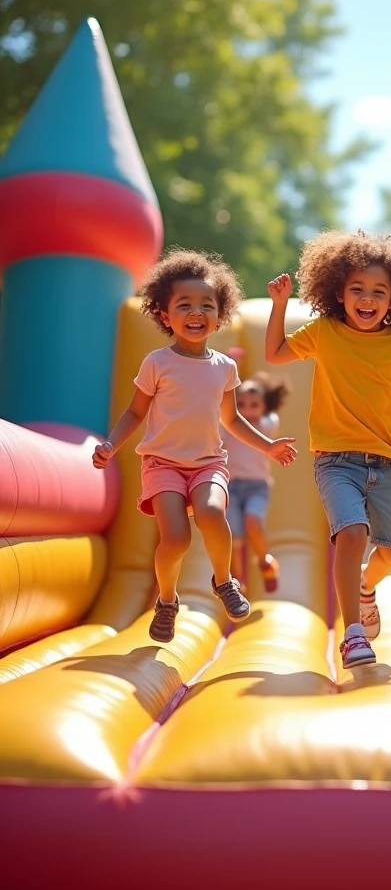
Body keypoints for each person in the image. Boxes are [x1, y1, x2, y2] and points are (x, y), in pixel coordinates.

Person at [92, 249, 297, 643]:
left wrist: (268, 446)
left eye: (207, 304)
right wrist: (112, 445)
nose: (196, 311)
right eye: (184, 304)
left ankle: (224, 580)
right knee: (176, 539)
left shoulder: (224, 367)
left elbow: (232, 420)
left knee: (212, 513)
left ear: (219, 315)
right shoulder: (157, 363)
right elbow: (135, 413)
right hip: (163, 464)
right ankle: (167, 601)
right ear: (164, 315)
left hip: (207, 463)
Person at [265, 230, 391, 669]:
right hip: (335, 459)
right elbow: (275, 354)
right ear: (339, 295)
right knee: (352, 532)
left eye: (378, 293)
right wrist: (279, 304)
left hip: (386, 463)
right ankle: (352, 634)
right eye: (357, 291)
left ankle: (366, 587)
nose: (367, 299)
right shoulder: (325, 332)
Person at [222, 372, 290, 594]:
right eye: (241, 405)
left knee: (253, 522)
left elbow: (264, 417)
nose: (248, 410)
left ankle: (264, 562)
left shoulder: (267, 424)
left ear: (264, 407)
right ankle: (236, 580)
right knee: (232, 536)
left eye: (254, 405)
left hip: (256, 487)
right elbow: (224, 408)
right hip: (231, 487)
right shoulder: (228, 426)